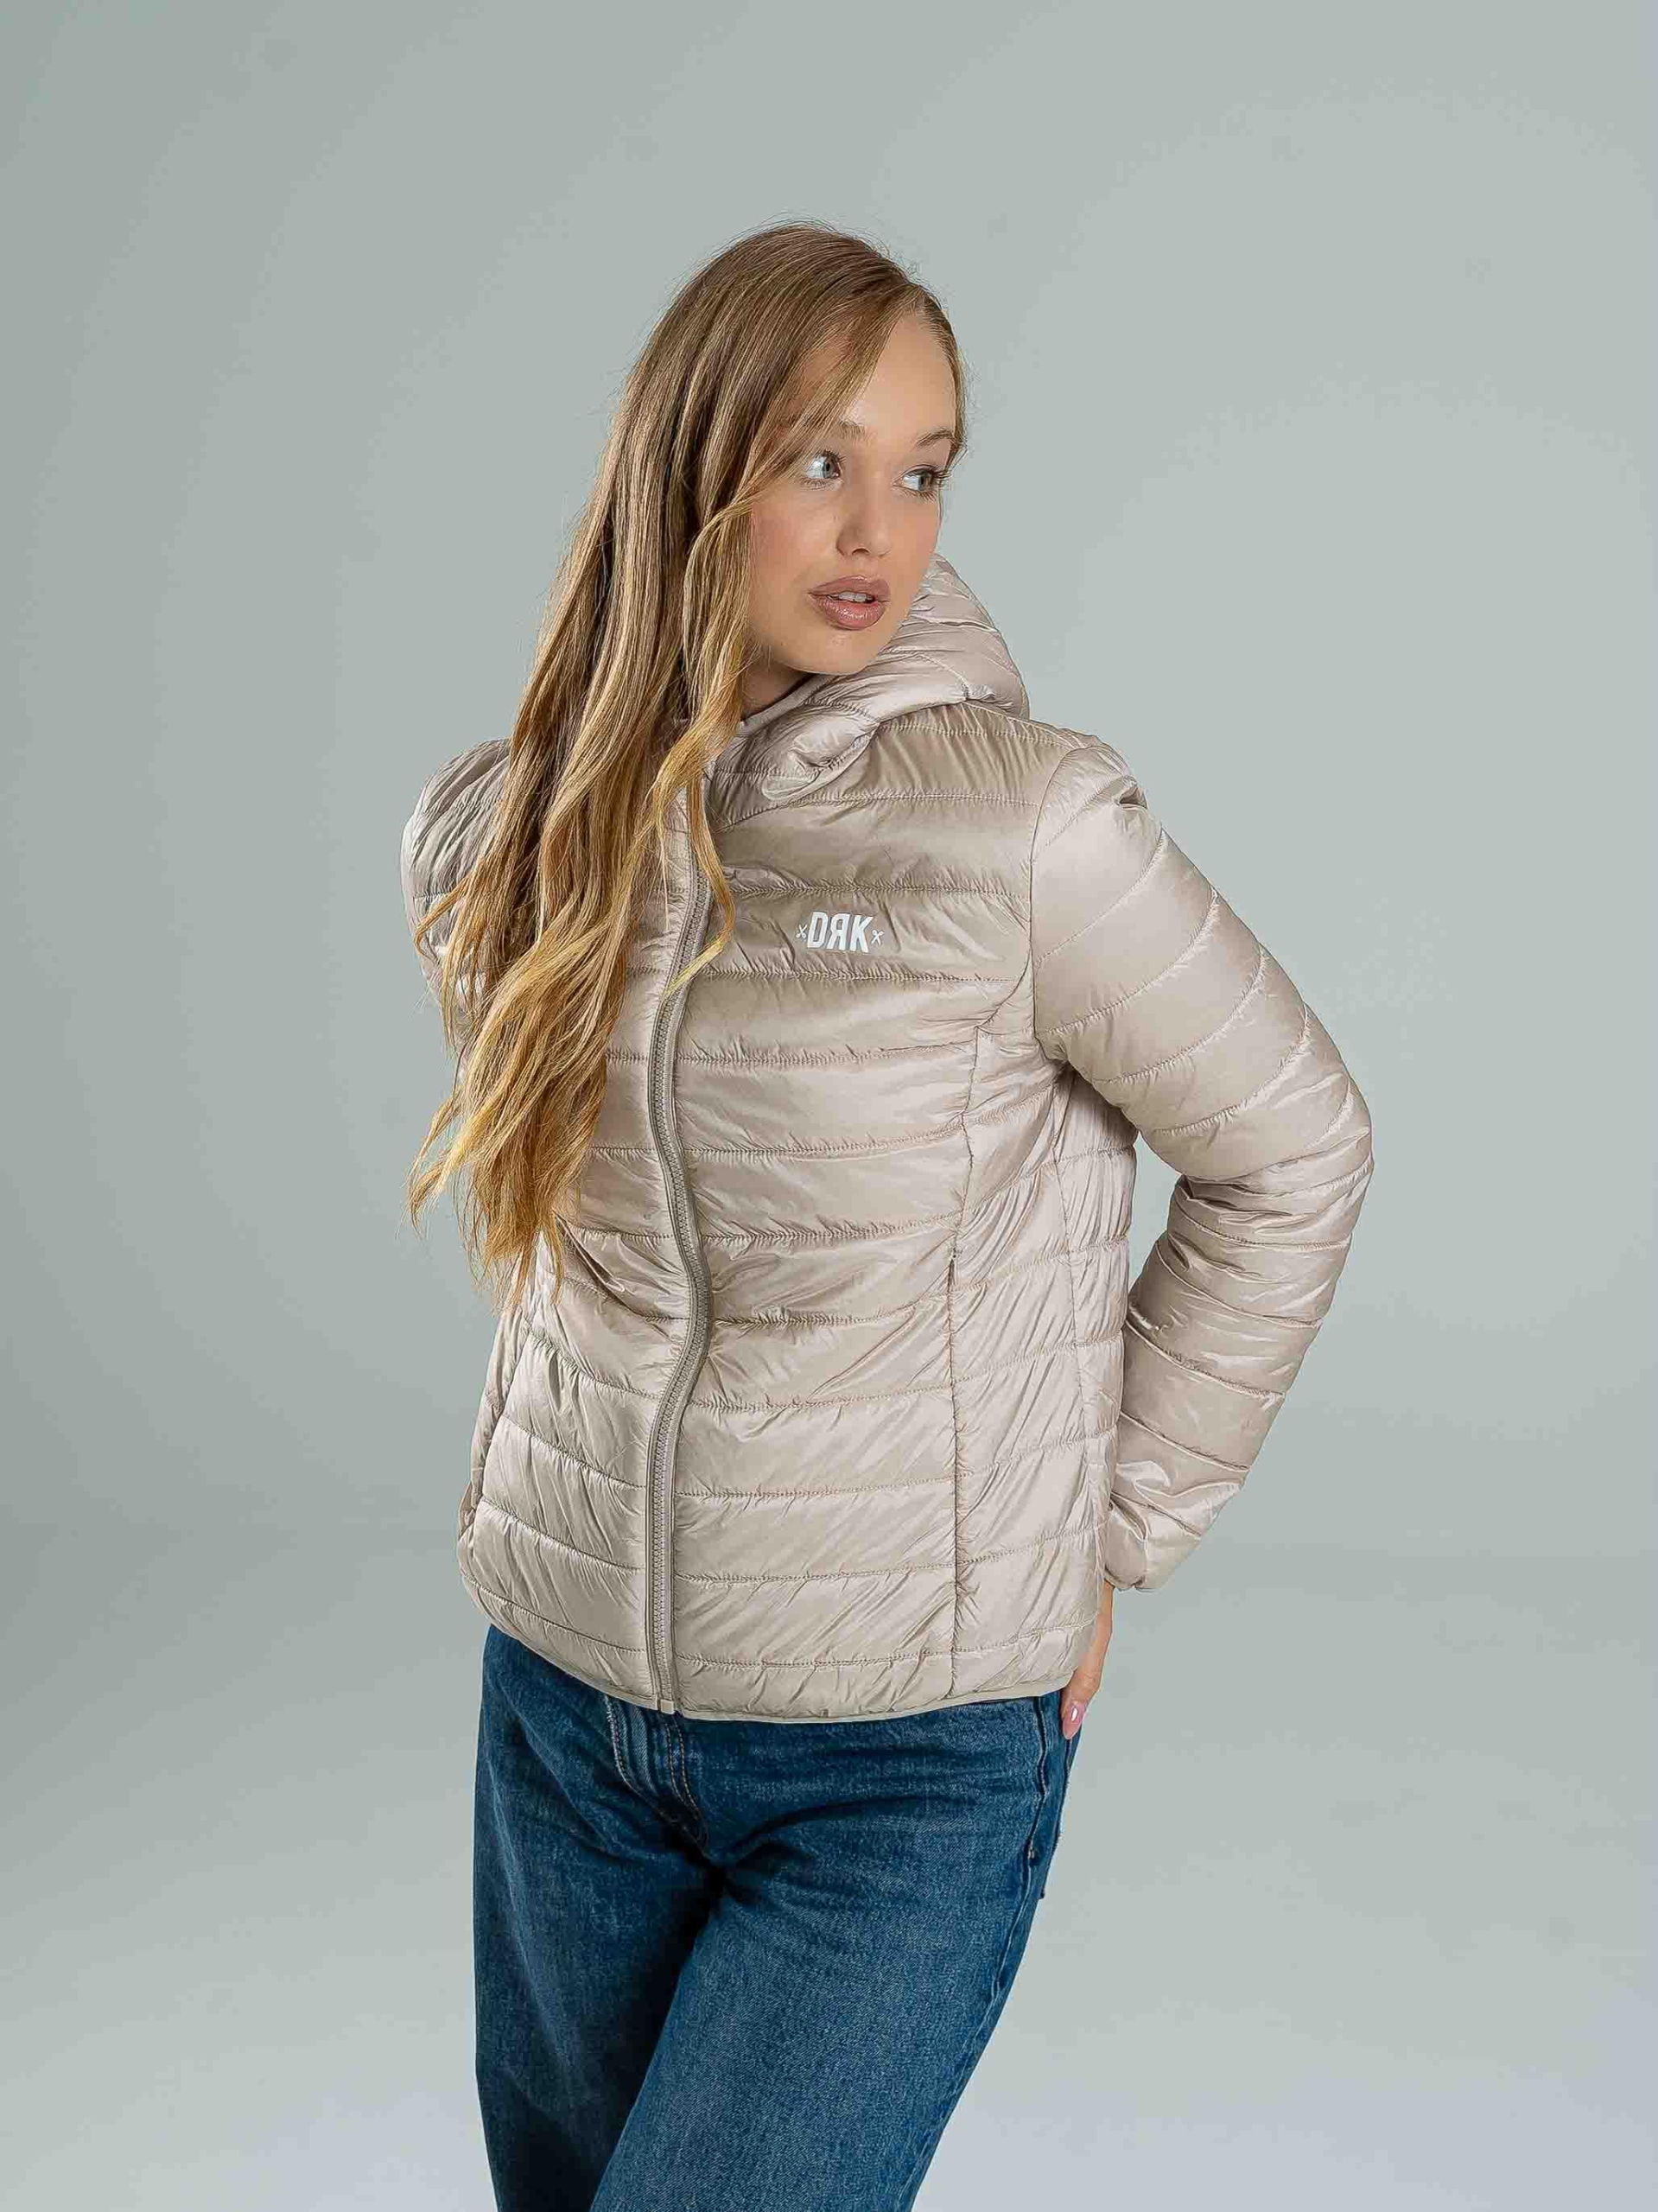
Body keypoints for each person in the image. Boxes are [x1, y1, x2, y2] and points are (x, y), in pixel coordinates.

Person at [400, 219, 1375, 2212]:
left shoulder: (1020, 828)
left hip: (898, 1760)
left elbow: (1297, 1145)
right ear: (695, 470)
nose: (878, 530)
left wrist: (1113, 1515)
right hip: (568, 1727)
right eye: (818, 460)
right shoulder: (510, 833)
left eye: (923, 470)